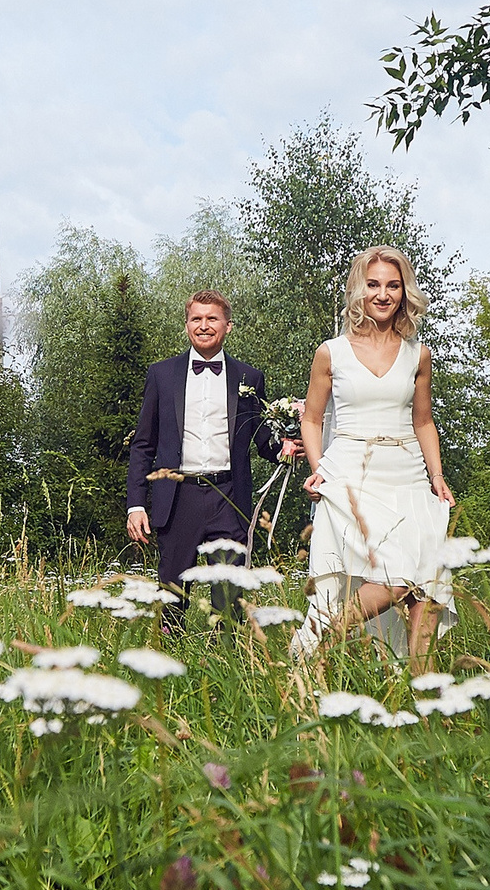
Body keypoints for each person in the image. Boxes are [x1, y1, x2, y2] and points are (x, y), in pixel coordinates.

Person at [293, 245, 456, 664]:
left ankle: (424, 700)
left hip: (410, 476)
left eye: (393, 285)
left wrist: (436, 475)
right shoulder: (331, 352)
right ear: (359, 291)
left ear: (404, 292)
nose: (383, 294)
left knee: (426, 588)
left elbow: (423, 421)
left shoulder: (418, 355)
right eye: (374, 285)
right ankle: (321, 640)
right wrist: (319, 469)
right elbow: (312, 419)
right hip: (352, 476)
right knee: (395, 581)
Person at [125, 291, 299, 625]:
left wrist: (285, 449)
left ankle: (230, 668)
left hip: (229, 498)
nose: (204, 326)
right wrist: (136, 505)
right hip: (177, 498)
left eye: (212, 319)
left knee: (230, 599)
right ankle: (170, 670)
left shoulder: (250, 378)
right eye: (196, 319)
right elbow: (143, 445)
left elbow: (262, 438)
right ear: (187, 324)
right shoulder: (161, 375)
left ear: (228, 326)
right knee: (173, 596)